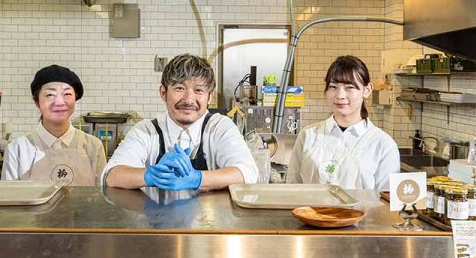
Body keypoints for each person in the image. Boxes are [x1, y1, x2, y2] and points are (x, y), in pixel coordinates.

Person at [103, 53, 258, 191]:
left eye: (198, 90)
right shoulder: (146, 130)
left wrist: (197, 179)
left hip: (210, 215)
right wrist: (150, 175)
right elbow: (112, 176)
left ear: (209, 97)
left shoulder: (220, 127)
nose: (189, 100)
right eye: (179, 88)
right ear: (163, 93)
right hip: (155, 214)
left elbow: (246, 172)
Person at [286, 55, 399, 191]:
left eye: (349, 87)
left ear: (367, 90)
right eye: (333, 87)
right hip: (309, 206)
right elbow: (292, 187)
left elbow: (386, 199)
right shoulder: (308, 135)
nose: (340, 95)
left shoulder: (383, 145)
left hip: (362, 207)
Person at [2, 64, 106, 185]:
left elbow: (102, 195)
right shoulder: (17, 149)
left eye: (67, 94)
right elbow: (8, 195)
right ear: (37, 101)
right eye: (50, 95)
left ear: (75, 99)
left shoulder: (93, 146)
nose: (59, 102)